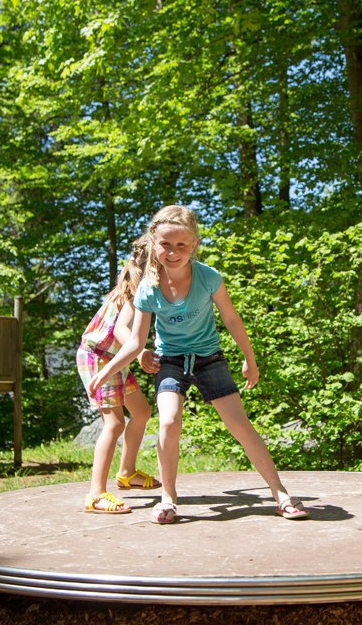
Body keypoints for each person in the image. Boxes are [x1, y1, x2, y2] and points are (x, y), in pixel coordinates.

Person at [89, 205, 308, 524]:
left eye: (181, 245)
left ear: (193, 245)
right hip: (172, 363)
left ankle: (281, 494)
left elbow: (231, 319)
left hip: (209, 359)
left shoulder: (208, 277)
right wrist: (107, 372)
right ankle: (168, 499)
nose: (173, 252)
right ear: (153, 243)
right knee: (168, 422)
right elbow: (136, 341)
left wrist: (250, 359)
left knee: (241, 426)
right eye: (166, 244)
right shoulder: (148, 288)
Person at [76, 238, 161, 514]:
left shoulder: (132, 285)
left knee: (142, 411)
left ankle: (126, 472)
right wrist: (140, 354)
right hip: (98, 357)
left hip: (113, 358)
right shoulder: (137, 292)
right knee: (113, 423)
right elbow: (122, 330)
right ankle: (96, 494)